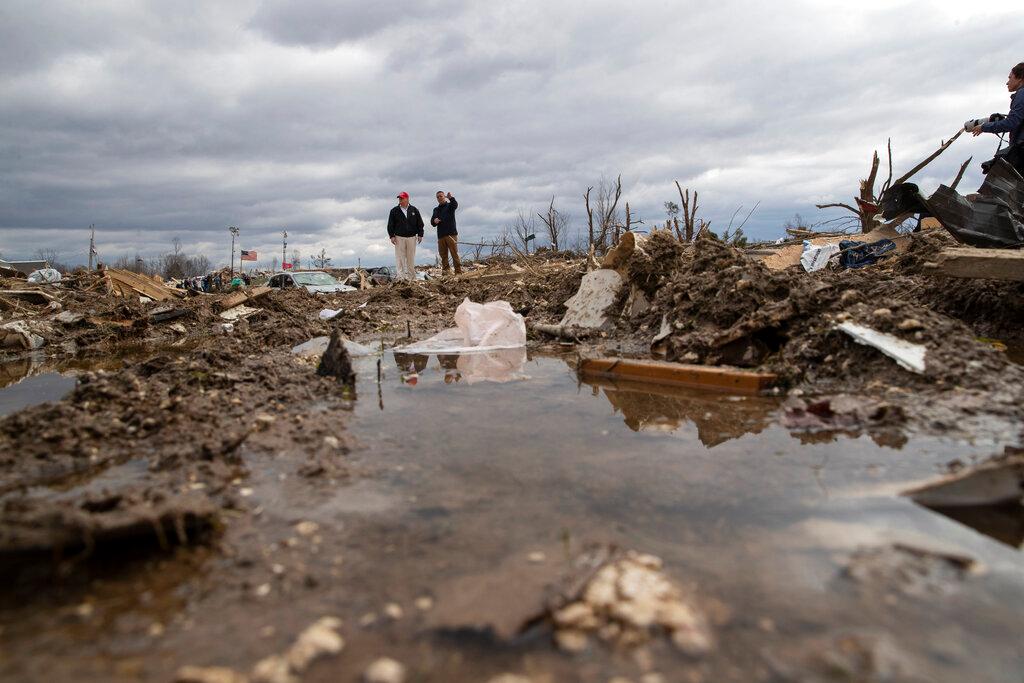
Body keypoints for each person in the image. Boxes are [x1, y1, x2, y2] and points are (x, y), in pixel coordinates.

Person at [972, 62, 1024, 175]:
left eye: (1010, 77)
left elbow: (1011, 123)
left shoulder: (1021, 94)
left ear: (1020, 78)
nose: (1007, 82)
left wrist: (984, 127)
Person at [386, 191, 423, 281]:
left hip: (411, 237)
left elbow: (420, 223)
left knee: (410, 258)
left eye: (402, 198)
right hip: (399, 237)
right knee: (400, 258)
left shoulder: (414, 210)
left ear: (407, 199)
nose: (400, 200)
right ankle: (401, 278)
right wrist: (391, 236)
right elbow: (390, 224)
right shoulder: (394, 211)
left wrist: (420, 234)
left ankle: (412, 278)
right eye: (399, 198)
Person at [431, 190, 462, 275]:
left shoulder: (449, 206)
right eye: (437, 197)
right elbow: (432, 223)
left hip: (451, 234)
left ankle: (458, 272)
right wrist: (434, 221)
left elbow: (455, 205)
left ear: (444, 196)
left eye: (441, 196)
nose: (439, 198)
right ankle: (446, 272)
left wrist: (451, 198)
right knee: (443, 255)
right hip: (441, 236)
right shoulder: (436, 210)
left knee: (454, 253)